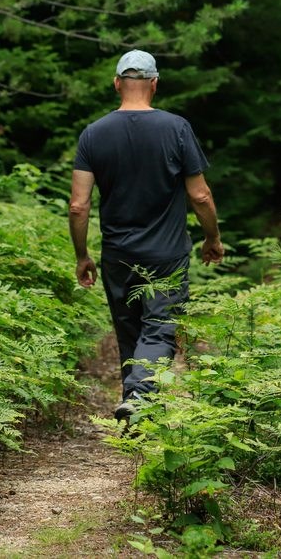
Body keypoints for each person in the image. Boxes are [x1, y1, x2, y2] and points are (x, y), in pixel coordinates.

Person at [69, 49, 224, 421]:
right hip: (165, 254)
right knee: (159, 329)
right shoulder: (177, 128)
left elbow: (79, 205)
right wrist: (212, 238)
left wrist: (82, 255)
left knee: (130, 333)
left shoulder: (94, 134)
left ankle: (137, 416)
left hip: (118, 254)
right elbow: (200, 195)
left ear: (116, 83)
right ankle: (140, 400)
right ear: (155, 84)